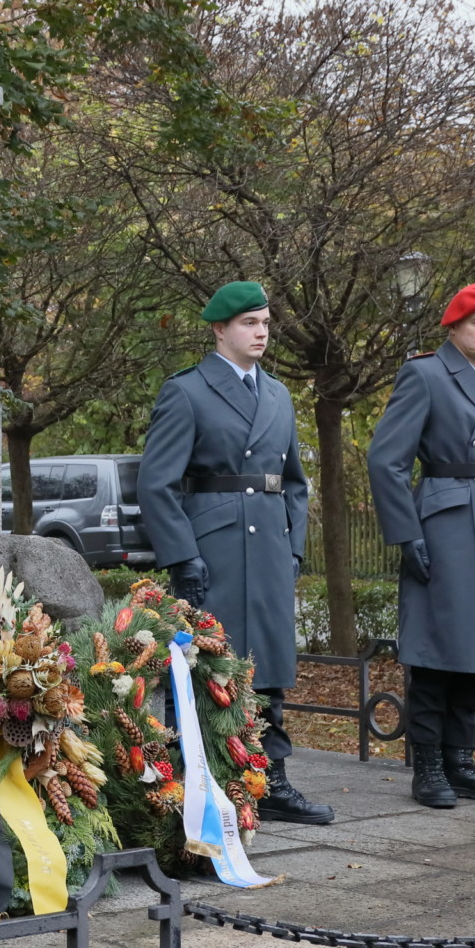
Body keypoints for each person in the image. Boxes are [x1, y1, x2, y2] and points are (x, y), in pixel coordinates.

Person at [141, 281, 333, 825]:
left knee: (268, 666)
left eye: (266, 323)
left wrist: (293, 548)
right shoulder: (187, 391)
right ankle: (208, 780)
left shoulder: (277, 394)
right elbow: (158, 483)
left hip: (269, 546)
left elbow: (295, 481)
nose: (262, 332)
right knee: (212, 666)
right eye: (250, 323)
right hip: (214, 546)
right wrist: (183, 554)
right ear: (220, 329)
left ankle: (271, 780)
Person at [367, 281, 475, 809]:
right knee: (437, 651)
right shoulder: (425, 374)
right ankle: (429, 767)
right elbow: (386, 461)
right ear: (455, 326)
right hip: (445, 522)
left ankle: (461, 762)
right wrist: (407, 532)